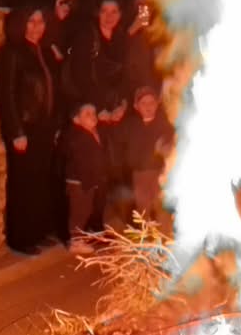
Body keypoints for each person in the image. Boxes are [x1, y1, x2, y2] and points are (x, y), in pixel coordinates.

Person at [0, 5, 62, 251]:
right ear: (21, 24)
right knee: (23, 184)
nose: (36, 27)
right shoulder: (12, 52)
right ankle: (21, 238)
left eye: (40, 22)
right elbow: (7, 94)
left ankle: (38, 231)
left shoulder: (42, 51)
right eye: (31, 22)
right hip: (25, 128)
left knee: (41, 182)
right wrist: (16, 131)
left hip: (43, 127)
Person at [120, 83, 173, 222]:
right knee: (143, 208)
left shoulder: (164, 124)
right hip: (140, 174)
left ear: (157, 104)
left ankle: (163, 236)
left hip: (159, 173)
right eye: (143, 103)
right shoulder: (131, 125)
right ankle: (145, 237)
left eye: (151, 102)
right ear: (136, 106)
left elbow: (171, 144)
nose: (148, 106)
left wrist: (166, 149)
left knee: (161, 206)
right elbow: (122, 146)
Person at [63, 99, 109, 247]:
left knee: (86, 209)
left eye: (94, 113)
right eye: (87, 113)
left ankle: (81, 237)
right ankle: (76, 242)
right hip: (80, 182)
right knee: (79, 212)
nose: (93, 116)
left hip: (89, 181)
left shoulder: (93, 133)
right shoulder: (78, 136)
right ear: (76, 119)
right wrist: (88, 182)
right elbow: (80, 162)